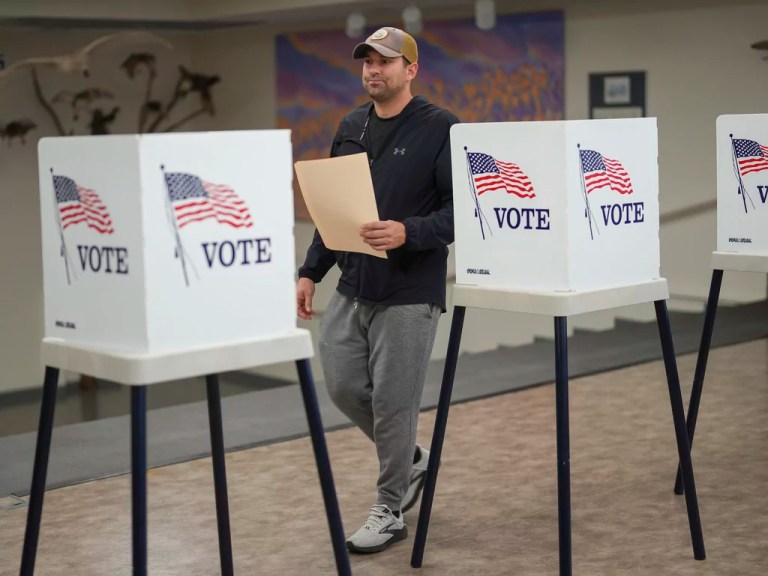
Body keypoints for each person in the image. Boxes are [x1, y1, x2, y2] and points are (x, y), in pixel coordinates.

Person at [296, 26, 459, 554]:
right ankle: (410, 458)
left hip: (411, 290)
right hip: (353, 282)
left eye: (385, 62)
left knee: (393, 403)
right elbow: (334, 208)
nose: (373, 70)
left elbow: (463, 214)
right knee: (343, 385)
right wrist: (310, 271)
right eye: (367, 61)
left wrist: (408, 231)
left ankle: (389, 509)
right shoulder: (350, 127)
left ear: (411, 70)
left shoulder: (441, 128)